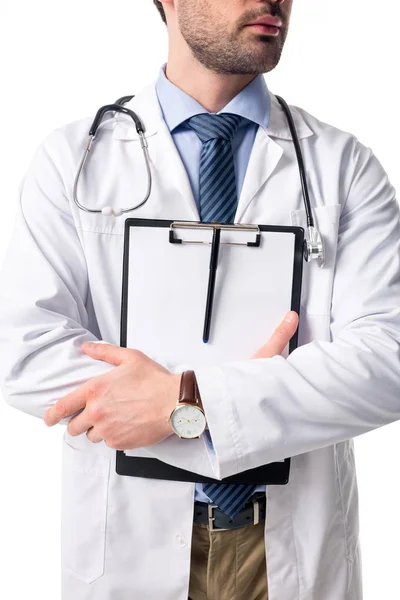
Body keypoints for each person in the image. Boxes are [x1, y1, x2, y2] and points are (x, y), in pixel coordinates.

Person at [1, 0, 400, 598]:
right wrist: (235, 412)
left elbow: (388, 360)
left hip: (292, 549)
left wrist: (187, 405)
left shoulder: (341, 165)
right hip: (132, 541)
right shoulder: (73, 161)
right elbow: (25, 354)